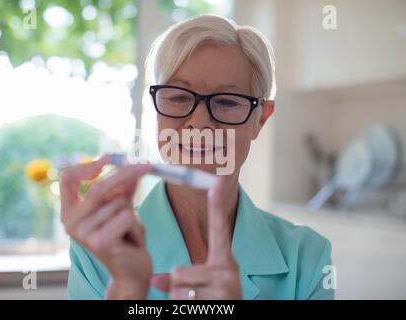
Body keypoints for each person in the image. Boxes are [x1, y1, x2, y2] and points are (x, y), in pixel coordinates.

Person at [60, 15, 334, 300]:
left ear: (260, 119)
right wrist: (128, 291)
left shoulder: (307, 256)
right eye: (178, 97)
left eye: (227, 101)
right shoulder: (98, 250)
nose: (199, 124)